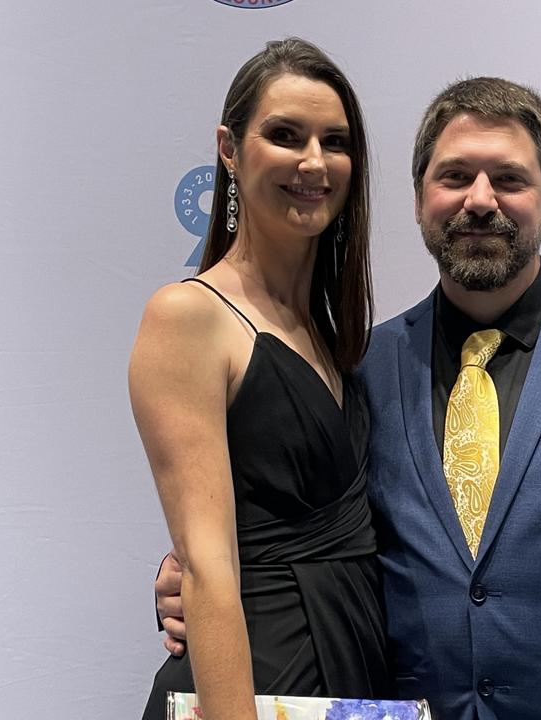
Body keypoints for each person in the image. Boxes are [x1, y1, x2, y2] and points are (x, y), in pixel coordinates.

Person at [156, 77, 541, 719]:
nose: (480, 201)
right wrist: (194, 573)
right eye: (454, 176)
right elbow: (310, 518)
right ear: (421, 197)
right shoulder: (362, 365)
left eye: (509, 179)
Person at [130, 38, 387, 720]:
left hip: (355, 676)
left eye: (334, 141)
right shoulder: (188, 315)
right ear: (229, 149)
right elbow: (210, 573)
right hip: (253, 690)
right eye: (284, 135)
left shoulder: (334, 337)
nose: (313, 161)